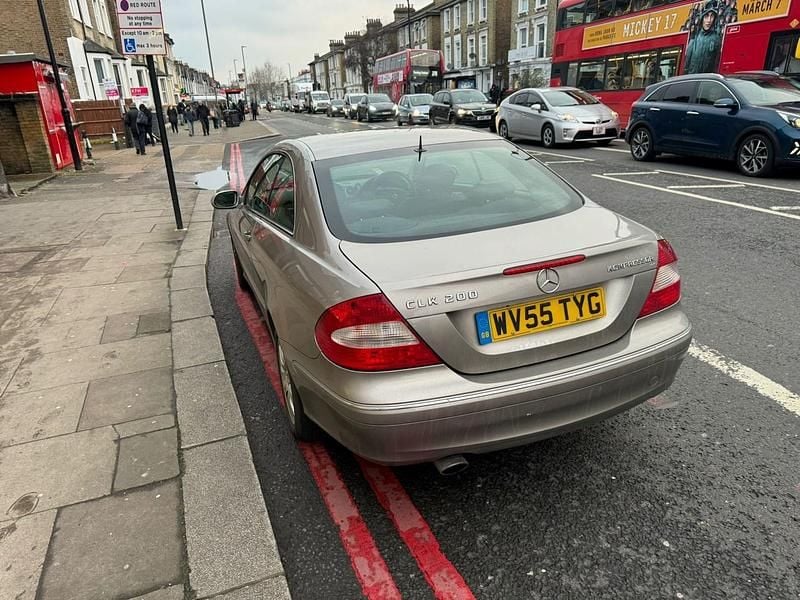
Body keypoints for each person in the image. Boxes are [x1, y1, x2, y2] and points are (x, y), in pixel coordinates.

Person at [684, 1, 722, 74]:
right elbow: (687, 65)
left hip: (706, 81)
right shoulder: (694, 39)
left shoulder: (716, 39)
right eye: (706, 16)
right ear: (702, 18)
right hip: (693, 79)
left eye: (712, 16)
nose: (709, 20)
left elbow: (717, 63)